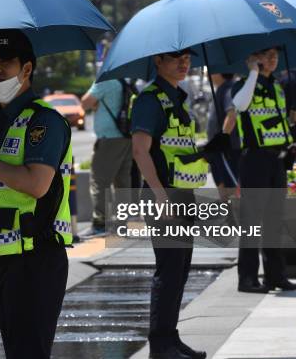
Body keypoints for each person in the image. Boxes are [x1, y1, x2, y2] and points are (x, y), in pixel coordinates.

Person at [0, 29, 72, 359]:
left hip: (37, 258)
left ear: (27, 69)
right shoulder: (3, 124)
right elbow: (1, 201)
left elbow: (36, 185)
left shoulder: (42, 122)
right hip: (11, 260)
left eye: (4, 62)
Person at [131, 49, 209, 359]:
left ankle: (171, 338)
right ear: (157, 62)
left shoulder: (178, 97)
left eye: (187, 57)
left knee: (180, 270)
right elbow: (140, 151)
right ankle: (160, 346)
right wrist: (161, 197)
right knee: (169, 270)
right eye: (175, 57)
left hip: (182, 195)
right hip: (162, 197)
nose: (183, 63)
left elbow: (175, 149)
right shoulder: (150, 100)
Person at [231, 47, 296, 294]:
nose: (272, 59)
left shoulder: (277, 86)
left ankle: (276, 276)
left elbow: (273, 122)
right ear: (254, 57)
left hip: (277, 159)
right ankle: (247, 279)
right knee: (252, 221)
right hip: (254, 160)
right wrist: (252, 72)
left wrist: (293, 119)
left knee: (274, 220)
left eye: (275, 54)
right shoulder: (243, 85)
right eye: (266, 54)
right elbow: (241, 105)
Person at [81, 77, 134, 236]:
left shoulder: (105, 81)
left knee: (99, 181)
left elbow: (85, 103)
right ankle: (121, 224)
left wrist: (96, 104)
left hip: (109, 138)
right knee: (122, 182)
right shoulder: (124, 81)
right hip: (126, 136)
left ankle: (100, 224)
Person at [206, 73, 240, 194]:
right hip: (219, 151)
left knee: (231, 188)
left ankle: (235, 211)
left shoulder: (229, 89)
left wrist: (221, 139)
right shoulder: (221, 89)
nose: (207, 74)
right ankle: (228, 210)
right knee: (222, 184)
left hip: (227, 149)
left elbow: (232, 116)